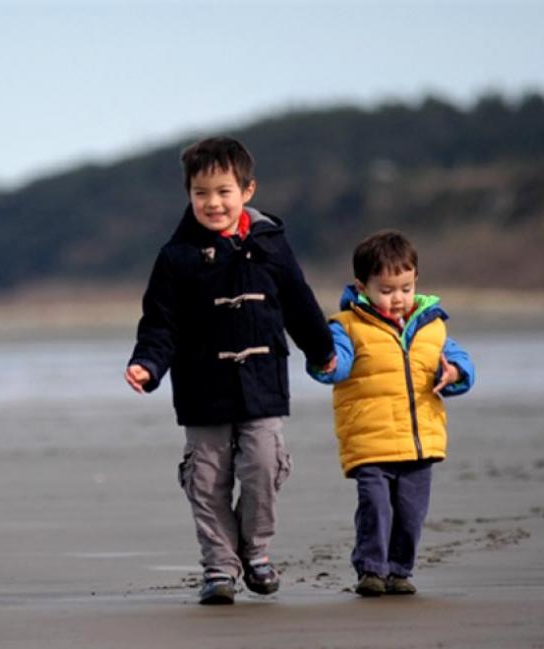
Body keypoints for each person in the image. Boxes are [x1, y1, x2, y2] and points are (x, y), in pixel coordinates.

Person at [125, 136, 336, 605]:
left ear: (247, 190)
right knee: (207, 479)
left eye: (223, 191)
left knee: (263, 466)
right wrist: (147, 365)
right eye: (201, 193)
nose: (213, 202)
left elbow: (299, 303)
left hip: (263, 382)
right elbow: (161, 324)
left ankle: (255, 552)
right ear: (189, 195)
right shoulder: (175, 257)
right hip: (202, 389)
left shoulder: (270, 245)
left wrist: (321, 349)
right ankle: (219, 567)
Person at [309, 229, 475, 597]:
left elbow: (460, 363)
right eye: (386, 290)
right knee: (376, 507)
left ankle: (399, 571)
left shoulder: (431, 325)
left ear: (416, 281)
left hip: (420, 442)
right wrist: (325, 364)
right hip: (371, 441)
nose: (398, 298)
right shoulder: (347, 326)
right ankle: (371, 569)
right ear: (362, 286)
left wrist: (455, 373)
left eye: (405, 287)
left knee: (411, 513)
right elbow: (334, 367)